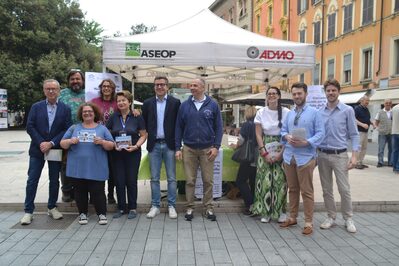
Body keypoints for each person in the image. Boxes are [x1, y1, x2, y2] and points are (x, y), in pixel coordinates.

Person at [20, 79, 72, 225]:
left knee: (54, 180)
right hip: (37, 149)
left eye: (54, 89)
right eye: (48, 89)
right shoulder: (36, 107)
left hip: (55, 149)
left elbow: (66, 129)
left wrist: (51, 143)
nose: (51, 91)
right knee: (32, 180)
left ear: (59, 91)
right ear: (44, 91)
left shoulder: (65, 108)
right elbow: (30, 126)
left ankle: (52, 207)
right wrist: (41, 142)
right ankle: (28, 211)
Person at [279, 82, 325, 235]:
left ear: (306, 94)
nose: (297, 96)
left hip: (305, 157)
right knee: (292, 189)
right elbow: (283, 130)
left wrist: (308, 142)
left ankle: (308, 222)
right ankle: (292, 217)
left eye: (299, 93)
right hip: (289, 156)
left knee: (306, 191)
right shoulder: (290, 113)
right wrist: (287, 136)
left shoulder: (315, 112)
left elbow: (321, 133)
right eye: (294, 94)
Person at [175, 78, 223, 222]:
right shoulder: (184, 106)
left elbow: (219, 127)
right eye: (191, 85)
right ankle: (190, 207)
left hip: (207, 149)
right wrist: (178, 148)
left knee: (208, 180)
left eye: (195, 85)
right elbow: (178, 127)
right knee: (190, 181)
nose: (192, 87)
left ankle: (208, 208)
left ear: (203, 87)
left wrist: (216, 147)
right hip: (189, 148)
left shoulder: (213, 105)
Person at [60, 103, 114, 225]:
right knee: (79, 191)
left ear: (94, 113)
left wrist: (102, 142)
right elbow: (62, 143)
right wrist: (70, 141)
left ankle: (101, 214)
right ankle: (82, 214)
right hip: (78, 167)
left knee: (98, 191)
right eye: (84, 111)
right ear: (81, 114)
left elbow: (111, 146)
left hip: (97, 166)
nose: (87, 113)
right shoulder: (74, 128)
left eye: (90, 111)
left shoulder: (102, 128)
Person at [317, 79, 359, 233]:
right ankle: (331, 217)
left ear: (338, 91)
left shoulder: (347, 110)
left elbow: (354, 135)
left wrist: (354, 156)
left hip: (340, 155)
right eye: (328, 90)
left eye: (333, 90)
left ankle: (348, 218)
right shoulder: (319, 111)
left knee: (344, 189)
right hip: (322, 155)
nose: (331, 93)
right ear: (325, 92)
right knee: (326, 189)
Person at [142, 76, 181, 219]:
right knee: (154, 178)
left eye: (162, 85)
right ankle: (155, 206)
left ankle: (171, 205)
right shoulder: (147, 103)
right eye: (157, 85)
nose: (159, 87)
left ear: (167, 87)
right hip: (154, 145)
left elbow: (179, 125)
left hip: (170, 144)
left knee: (171, 178)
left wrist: (178, 146)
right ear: (154, 87)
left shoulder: (175, 103)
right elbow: (144, 123)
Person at [106, 91, 147, 219]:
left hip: (133, 153)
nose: (121, 103)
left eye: (124, 100)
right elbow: (107, 133)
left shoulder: (137, 116)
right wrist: (113, 144)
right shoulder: (113, 117)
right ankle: (121, 207)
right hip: (117, 153)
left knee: (131, 180)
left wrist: (136, 146)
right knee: (119, 180)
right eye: (118, 101)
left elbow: (144, 134)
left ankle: (133, 208)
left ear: (129, 102)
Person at [252, 87, 289, 223]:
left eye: (274, 93)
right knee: (265, 181)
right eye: (269, 94)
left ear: (279, 96)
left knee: (281, 181)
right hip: (265, 145)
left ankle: (280, 211)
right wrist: (263, 151)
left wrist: (281, 153)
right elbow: (258, 133)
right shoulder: (261, 112)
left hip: (281, 144)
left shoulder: (286, 112)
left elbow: (288, 133)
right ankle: (265, 211)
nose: (272, 96)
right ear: (266, 97)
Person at [59, 69, 86, 202]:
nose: (75, 81)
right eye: (72, 79)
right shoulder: (62, 94)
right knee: (65, 164)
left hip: (86, 133)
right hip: (66, 133)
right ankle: (67, 191)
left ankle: (80, 191)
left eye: (78, 79)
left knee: (82, 163)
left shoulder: (89, 93)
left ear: (83, 80)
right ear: (69, 81)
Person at [90, 79, 118, 204]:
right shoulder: (94, 102)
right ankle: (95, 195)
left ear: (113, 89)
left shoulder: (118, 102)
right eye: (104, 86)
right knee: (96, 168)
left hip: (112, 140)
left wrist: (135, 111)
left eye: (109, 86)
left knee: (112, 170)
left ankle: (111, 195)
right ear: (101, 88)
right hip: (96, 139)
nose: (106, 88)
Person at [231, 106, 258, 216]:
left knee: (240, 180)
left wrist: (235, 145)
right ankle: (255, 205)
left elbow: (241, 141)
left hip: (248, 156)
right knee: (253, 181)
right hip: (257, 155)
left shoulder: (247, 124)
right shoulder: (259, 124)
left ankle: (250, 204)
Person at [354, 96, 372, 169]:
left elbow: (367, 119)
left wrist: (372, 123)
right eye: (366, 100)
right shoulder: (357, 109)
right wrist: (362, 124)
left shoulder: (366, 109)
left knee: (364, 147)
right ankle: (356, 163)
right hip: (359, 131)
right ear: (362, 100)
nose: (367, 102)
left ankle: (360, 161)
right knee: (358, 147)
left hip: (365, 131)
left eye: (368, 101)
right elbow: (353, 119)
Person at [374, 99, 393, 167]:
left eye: (389, 103)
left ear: (391, 104)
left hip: (391, 133)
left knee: (391, 149)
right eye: (386, 103)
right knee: (381, 148)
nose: (388, 104)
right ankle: (380, 162)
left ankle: (390, 162)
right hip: (382, 133)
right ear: (384, 104)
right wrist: (377, 128)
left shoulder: (393, 112)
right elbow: (376, 122)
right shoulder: (380, 112)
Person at [392, 104, 399, 174]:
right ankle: (398, 168)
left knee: (395, 150)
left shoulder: (394, 108)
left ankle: (394, 167)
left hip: (394, 131)